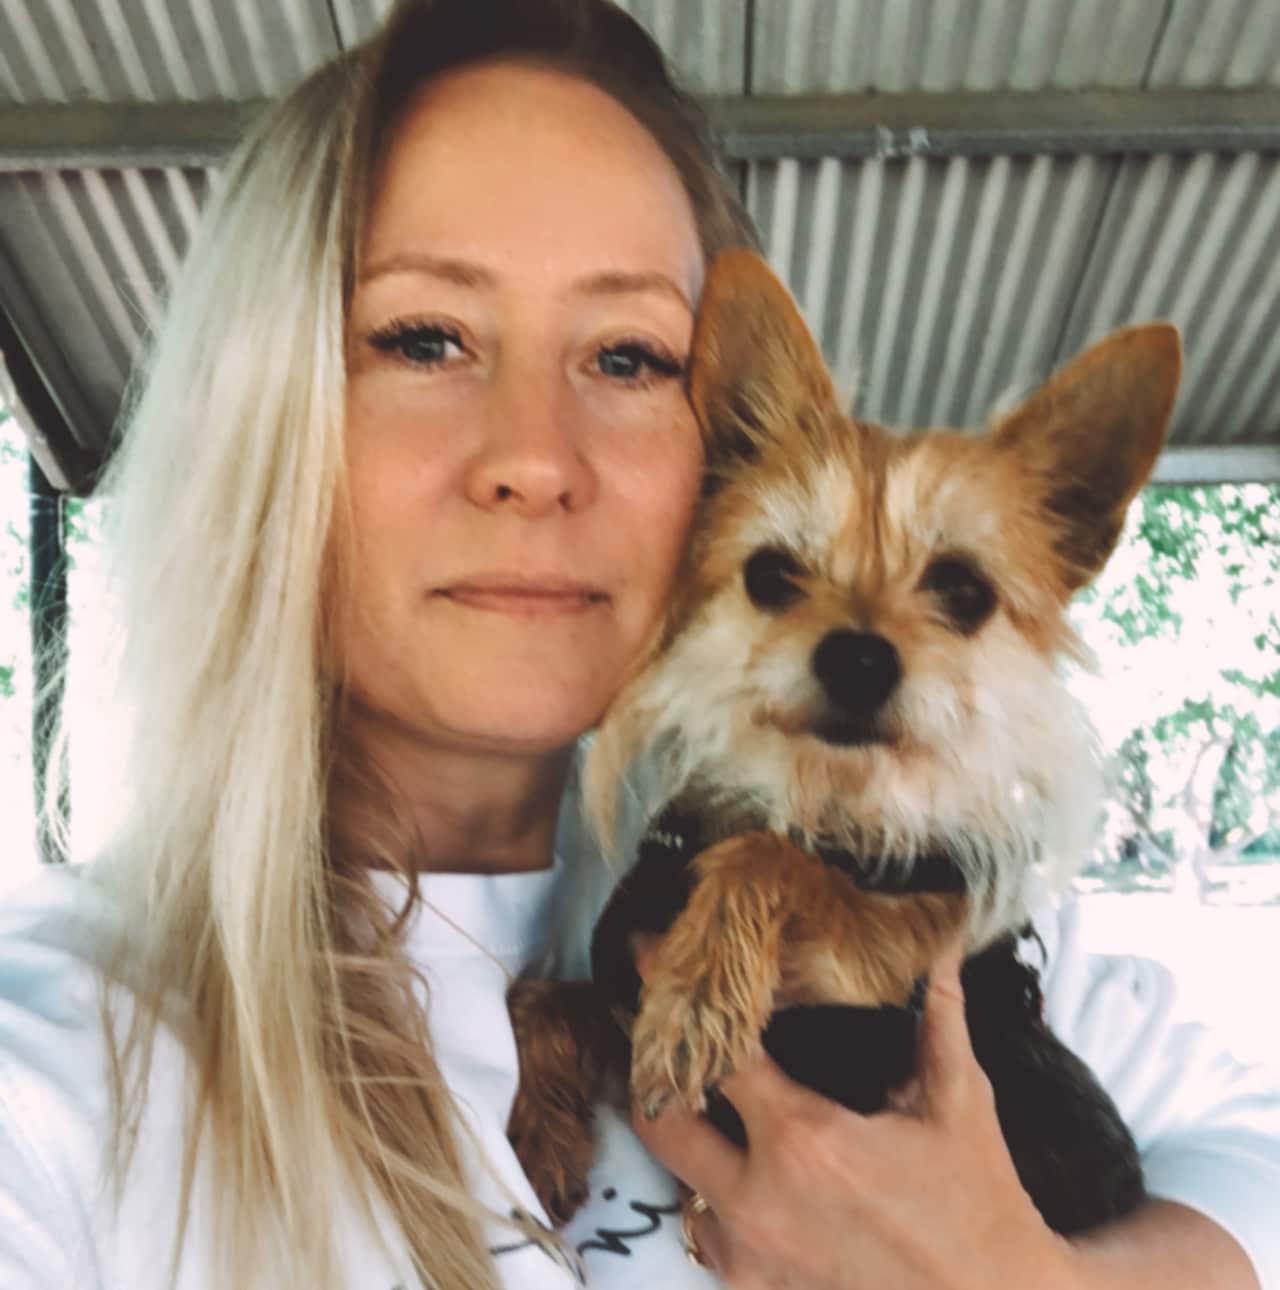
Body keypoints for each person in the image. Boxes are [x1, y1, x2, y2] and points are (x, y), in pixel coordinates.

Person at [0, 1, 1277, 1288]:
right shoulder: (60, 1058)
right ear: (252, 406)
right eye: (423, 338)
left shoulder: (935, 904)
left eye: (626, 357)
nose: (534, 459)